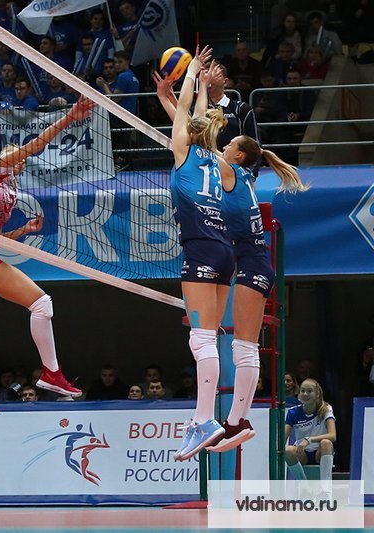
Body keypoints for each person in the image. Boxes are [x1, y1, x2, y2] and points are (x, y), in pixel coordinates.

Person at [0, 96, 96, 417]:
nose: (23, 160)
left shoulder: (10, 193)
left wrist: (23, 231)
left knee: (42, 304)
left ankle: (51, 373)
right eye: (20, 155)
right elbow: (38, 145)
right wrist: (70, 118)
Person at [206, 134, 307, 453]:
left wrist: (187, 109)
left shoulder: (233, 172)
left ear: (238, 156)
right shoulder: (245, 174)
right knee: (243, 347)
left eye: (229, 146)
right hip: (253, 263)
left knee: (244, 347)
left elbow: (201, 148)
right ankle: (237, 421)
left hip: (253, 265)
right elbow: (210, 149)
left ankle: (237, 423)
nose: (224, 148)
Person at [157, 46, 235, 461]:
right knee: (209, 338)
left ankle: (205, 420)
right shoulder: (212, 156)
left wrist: (190, 78)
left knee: (202, 339)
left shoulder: (185, 151)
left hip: (202, 251)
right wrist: (201, 84)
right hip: (224, 252)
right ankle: (206, 419)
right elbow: (195, 114)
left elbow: (186, 111)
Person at [284, 378, 336, 486]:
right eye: (302, 391)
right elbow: (282, 439)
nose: (305, 394)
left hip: (320, 452)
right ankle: (304, 487)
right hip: (302, 453)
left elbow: (333, 435)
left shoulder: (326, 409)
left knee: (326, 443)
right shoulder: (293, 412)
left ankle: (325, 489)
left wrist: (309, 439)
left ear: (317, 394)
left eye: (309, 391)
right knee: (288, 450)